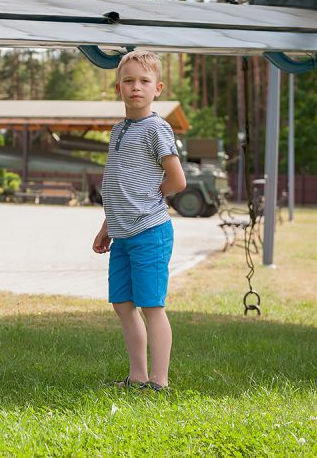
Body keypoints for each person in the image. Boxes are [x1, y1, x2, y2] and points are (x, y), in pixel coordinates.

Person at [92, 50, 187, 391]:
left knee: (151, 306)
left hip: (150, 232)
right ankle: (137, 377)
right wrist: (107, 227)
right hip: (122, 234)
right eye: (129, 80)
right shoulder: (118, 130)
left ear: (157, 88)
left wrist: (153, 195)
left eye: (144, 81)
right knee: (122, 303)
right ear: (118, 87)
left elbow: (178, 181)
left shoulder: (157, 128)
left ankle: (159, 382)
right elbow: (118, 184)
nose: (136, 87)